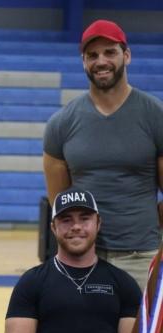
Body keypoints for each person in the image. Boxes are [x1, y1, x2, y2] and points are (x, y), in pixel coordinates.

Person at [44, 19, 163, 290]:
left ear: (127, 55)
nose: (101, 61)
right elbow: (59, 203)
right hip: (83, 258)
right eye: (92, 55)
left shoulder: (155, 115)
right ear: (83, 62)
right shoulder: (61, 123)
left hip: (140, 255)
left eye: (110, 52)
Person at [5, 188, 141, 333]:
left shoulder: (124, 283)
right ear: (53, 227)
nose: (76, 227)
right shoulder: (31, 282)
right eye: (66, 220)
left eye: (84, 219)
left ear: (98, 223)